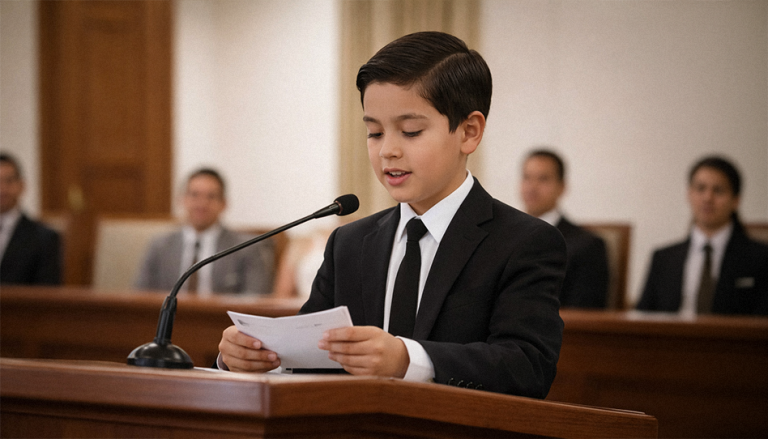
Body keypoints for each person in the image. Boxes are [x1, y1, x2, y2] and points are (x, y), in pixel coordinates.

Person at [217, 31, 567, 398]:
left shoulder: (523, 242)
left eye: (410, 132)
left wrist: (407, 360)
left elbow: (527, 367)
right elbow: (310, 354)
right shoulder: (349, 243)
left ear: (469, 132)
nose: (387, 151)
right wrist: (252, 357)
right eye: (374, 132)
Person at [637, 156, 768, 316]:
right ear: (689, 194)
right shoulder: (663, 259)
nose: (708, 198)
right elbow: (642, 318)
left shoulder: (760, 259)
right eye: (700, 188)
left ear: (736, 200)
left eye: (718, 190)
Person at [134, 168, 273, 295]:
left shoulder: (247, 248)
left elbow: (255, 299)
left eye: (211, 196)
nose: (202, 203)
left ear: (224, 204)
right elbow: (139, 295)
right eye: (194, 195)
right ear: (182, 200)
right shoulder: (160, 245)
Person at [520, 149, 609, 308]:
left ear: (562, 187)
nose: (532, 187)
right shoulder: (504, 237)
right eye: (527, 178)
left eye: (543, 179)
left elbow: (585, 312)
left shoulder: (587, 246)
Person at [0, 153, 62, 285]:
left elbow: (47, 292)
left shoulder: (45, 239)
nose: (2, 189)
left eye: (9, 181)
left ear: (22, 185)